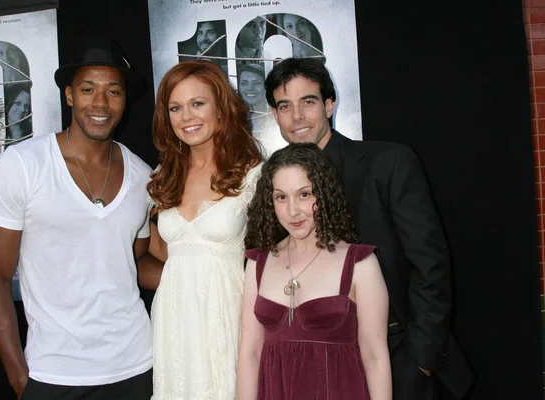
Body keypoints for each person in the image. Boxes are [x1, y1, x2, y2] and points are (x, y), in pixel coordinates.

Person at [264, 58, 474, 400]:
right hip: (316, 365)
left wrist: (420, 359)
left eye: (309, 101)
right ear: (275, 116)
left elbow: (430, 263)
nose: (297, 116)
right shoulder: (274, 186)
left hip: (396, 356)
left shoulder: (388, 163)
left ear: (330, 105)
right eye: (285, 106)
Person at [0, 37, 160, 399]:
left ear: (125, 100)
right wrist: (18, 378)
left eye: (114, 91)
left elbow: (133, 263)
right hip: (53, 373)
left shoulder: (143, 177)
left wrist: (208, 269)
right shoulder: (23, 165)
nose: (100, 103)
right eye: (88, 89)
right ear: (69, 95)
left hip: (137, 365)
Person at [238, 143, 391, 399]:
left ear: (324, 194)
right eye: (281, 197)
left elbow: (375, 356)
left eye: (305, 194)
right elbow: (250, 352)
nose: (293, 210)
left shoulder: (359, 263)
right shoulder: (257, 263)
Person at [147, 60, 263, 399]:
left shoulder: (253, 173)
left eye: (198, 103)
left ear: (220, 108)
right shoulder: (162, 176)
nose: (187, 117)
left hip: (229, 313)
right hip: (173, 319)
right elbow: (165, 252)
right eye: (175, 108)